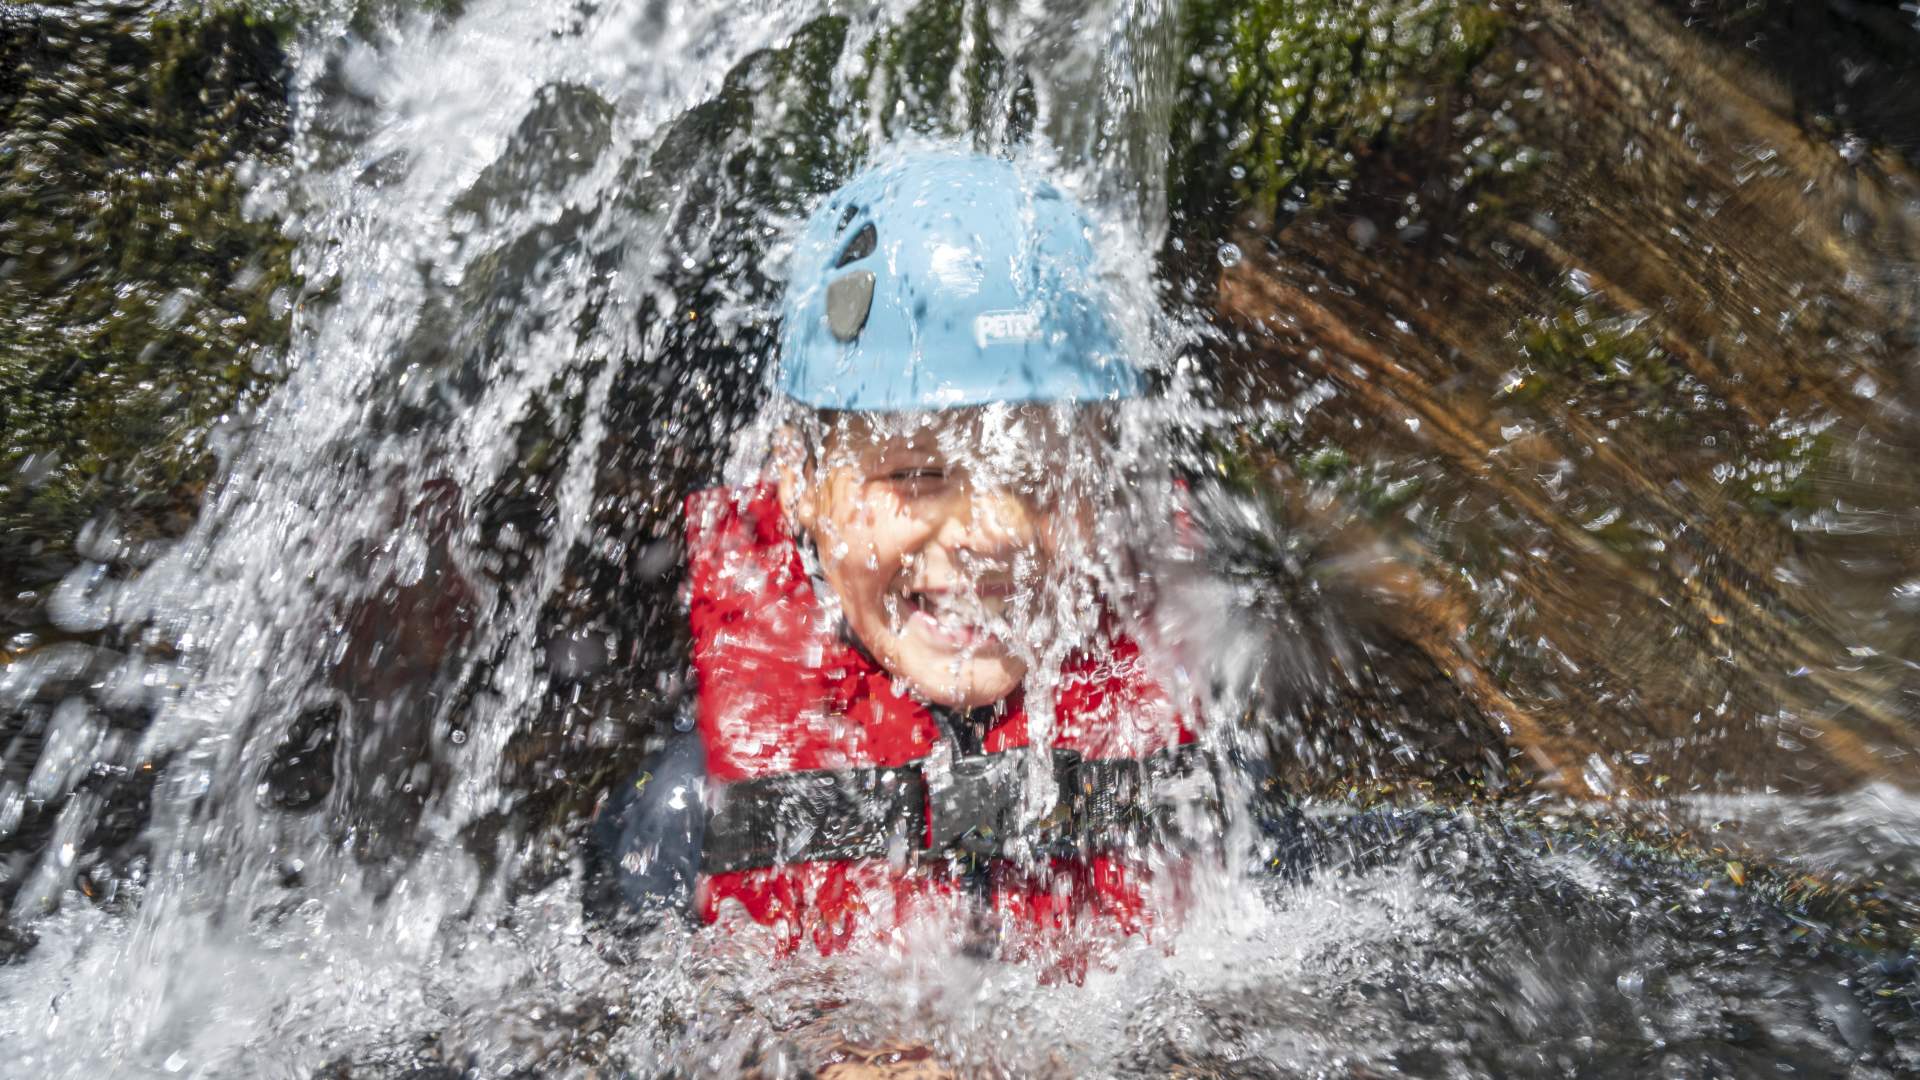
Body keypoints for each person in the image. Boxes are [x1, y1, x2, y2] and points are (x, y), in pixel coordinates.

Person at [589, 150, 1212, 970]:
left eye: (1037, 477)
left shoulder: (1189, 769)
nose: (989, 533)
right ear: (802, 480)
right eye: (916, 477)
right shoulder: (689, 816)